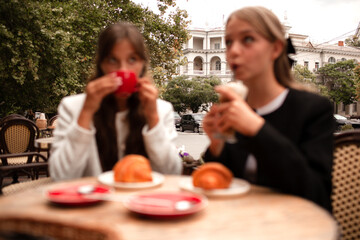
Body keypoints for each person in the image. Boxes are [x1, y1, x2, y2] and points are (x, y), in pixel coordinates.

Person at [202, 6, 335, 212]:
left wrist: (257, 129)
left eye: (247, 39)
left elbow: (316, 194)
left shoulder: (314, 109)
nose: (233, 51)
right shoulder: (236, 108)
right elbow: (227, 186)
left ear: (276, 49)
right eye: (229, 42)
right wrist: (217, 144)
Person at [49, 22, 182, 181]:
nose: (123, 70)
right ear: (101, 65)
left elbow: (172, 173)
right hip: (92, 203)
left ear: (143, 64)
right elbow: (60, 177)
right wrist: (86, 112)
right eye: (113, 60)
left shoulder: (161, 109)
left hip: (142, 203)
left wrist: (153, 118)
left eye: (132, 59)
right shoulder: (73, 107)